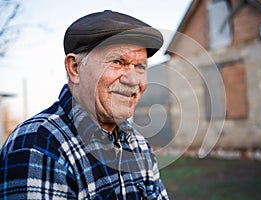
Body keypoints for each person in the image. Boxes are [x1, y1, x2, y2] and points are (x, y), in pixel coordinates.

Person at [0, 10, 169, 199]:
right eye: (117, 61)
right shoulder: (39, 145)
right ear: (74, 68)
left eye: (140, 67)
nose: (133, 80)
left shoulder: (139, 146)